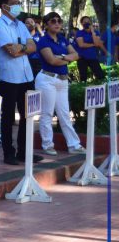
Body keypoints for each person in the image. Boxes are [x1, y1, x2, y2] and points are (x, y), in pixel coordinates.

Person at [0, 0, 41, 166]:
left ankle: (24, 151)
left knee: (27, 115)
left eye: (18, 2)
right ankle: (8, 152)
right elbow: (10, 52)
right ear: (4, 6)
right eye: (14, 3)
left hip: (26, 75)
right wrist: (23, 47)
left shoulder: (20, 24)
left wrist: (21, 47)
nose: (18, 6)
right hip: (8, 77)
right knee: (8, 117)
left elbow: (33, 46)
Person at [35, 12, 86, 155]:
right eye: (53, 21)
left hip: (62, 80)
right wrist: (67, 58)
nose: (57, 23)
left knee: (64, 114)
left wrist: (62, 57)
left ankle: (74, 145)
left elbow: (76, 55)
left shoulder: (63, 39)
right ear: (46, 24)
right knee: (47, 113)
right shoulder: (44, 41)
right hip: (47, 79)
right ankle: (47, 145)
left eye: (59, 21)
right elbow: (52, 60)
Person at [75, 16, 107, 81]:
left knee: (100, 76)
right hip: (82, 58)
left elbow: (97, 43)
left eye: (88, 22)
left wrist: (92, 32)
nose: (86, 23)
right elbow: (81, 44)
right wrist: (93, 44)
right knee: (83, 78)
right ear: (81, 24)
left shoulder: (96, 32)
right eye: (84, 22)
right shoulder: (79, 32)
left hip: (93, 57)